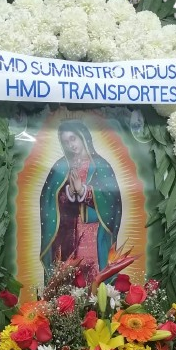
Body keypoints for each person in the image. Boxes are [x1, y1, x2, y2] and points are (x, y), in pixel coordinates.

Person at [40, 120, 122, 285]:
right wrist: (69, 192)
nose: (71, 145)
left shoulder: (101, 165)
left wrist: (84, 191)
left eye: (73, 138)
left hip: (92, 233)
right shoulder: (61, 166)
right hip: (66, 235)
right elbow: (48, 199)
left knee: (92, 279)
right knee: (68, 282)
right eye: (66, 142)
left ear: (83, 137)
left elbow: (111, 200)